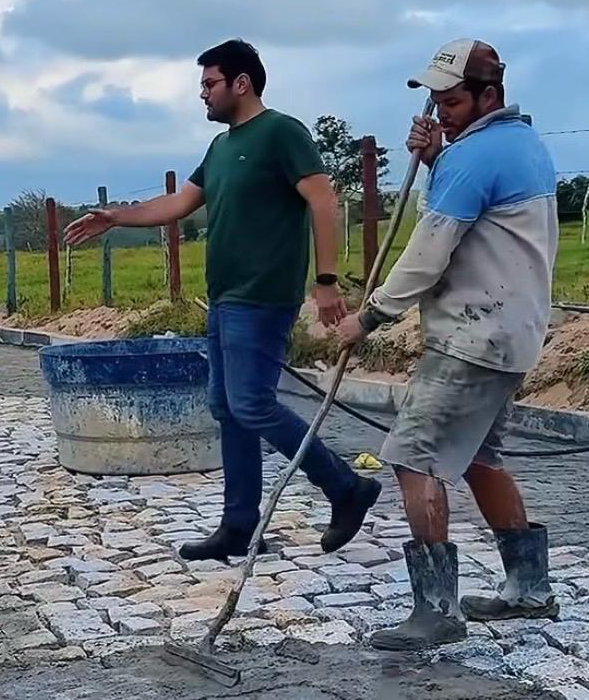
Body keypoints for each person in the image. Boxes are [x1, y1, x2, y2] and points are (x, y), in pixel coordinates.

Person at [66, 39, 381, 562]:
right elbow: (179, 202)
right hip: (225, 297)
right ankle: (237, 524)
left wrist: (326, 280)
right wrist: (115, 216)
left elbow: (323, 199)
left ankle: (346, 487)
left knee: (252, 402)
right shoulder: (220, 148)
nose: (203, 96)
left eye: (210, 84)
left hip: (263, 295)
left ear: (242, 82)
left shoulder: (281, 132)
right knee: (227, 406)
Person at [333, 39, 560, 650]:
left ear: (490, 95)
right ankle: (530, 588)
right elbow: (482, 220)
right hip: (512, 330)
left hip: (471, 336)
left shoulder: (474, 157)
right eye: (435, 100)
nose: (440, 111)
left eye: (453, 100)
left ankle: (437, 611)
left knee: (415, 456)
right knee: (482, 457)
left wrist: (371, 314)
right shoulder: (522, 145)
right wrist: (439, 159)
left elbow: (430, 253)